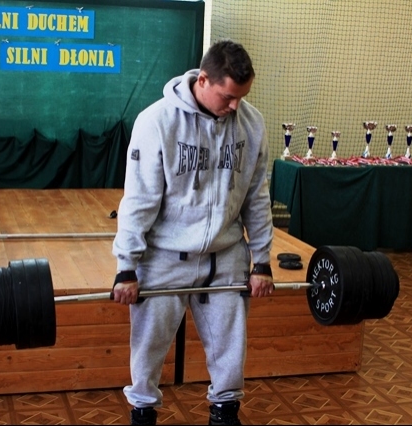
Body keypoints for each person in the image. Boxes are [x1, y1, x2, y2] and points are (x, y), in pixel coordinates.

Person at [111, 39, 274, 426]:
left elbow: (257, 196)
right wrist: (126, 266)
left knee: (230, 351)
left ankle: (224, 413)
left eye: (241, 97)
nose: (234, 106)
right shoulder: (157, 121)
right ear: (203, 80)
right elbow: (139, 199)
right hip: (164, 257)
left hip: (226, 256)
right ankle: (143, 413)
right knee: (148, 350)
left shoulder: (251, 124)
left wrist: (262, 261)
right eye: (228, 96)